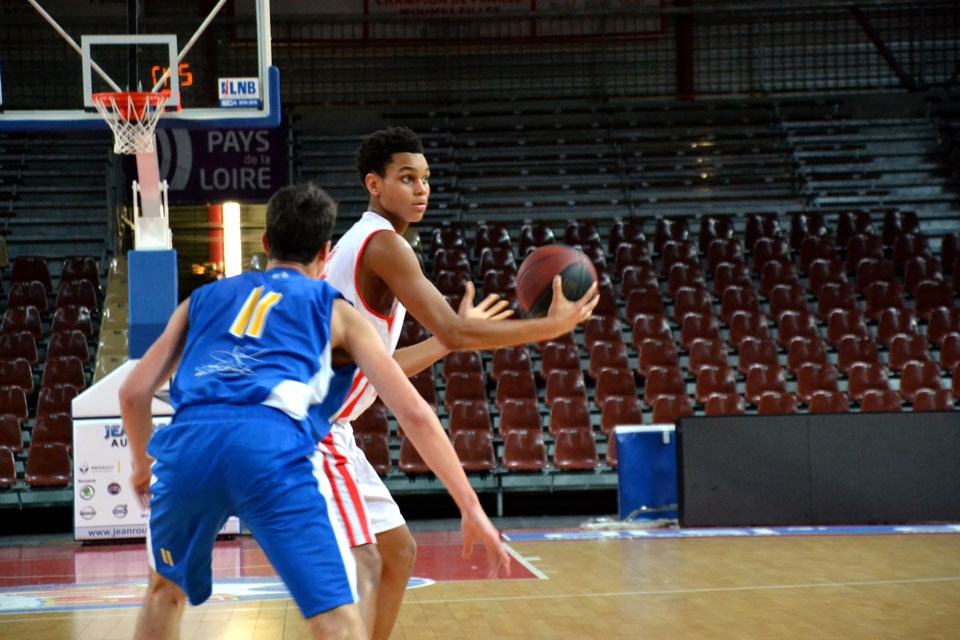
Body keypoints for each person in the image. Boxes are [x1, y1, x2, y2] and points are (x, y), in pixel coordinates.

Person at [119, 182, 510, 640]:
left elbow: (133, 392)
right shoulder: (334, 308)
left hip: (188, 447)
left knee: (164, 592)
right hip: (268, 446)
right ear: (327, 252)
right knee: (336, 620)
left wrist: (143, 464)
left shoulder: (203, 299)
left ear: (265, 243)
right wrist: (470, 504)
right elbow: (415, 412)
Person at [316, 126, 600, 640]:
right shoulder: (383, 246)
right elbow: (452, 327)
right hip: (315, 430)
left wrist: (447, 342)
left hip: (335, 429)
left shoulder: (360, 244)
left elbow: (384, 366)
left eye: (425, 178)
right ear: (373, 184)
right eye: (407, 178)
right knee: (363, 569)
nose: (421, 189)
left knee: (398, 552)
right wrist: (551, 329)